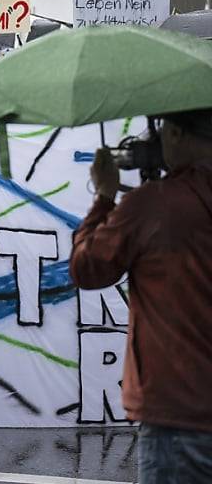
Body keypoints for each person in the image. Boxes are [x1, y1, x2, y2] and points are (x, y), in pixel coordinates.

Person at [70, 110, 212, 484]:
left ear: (178, 134)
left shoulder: (153, 205)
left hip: (177, 410)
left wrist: (104, 196)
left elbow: (87, 268)